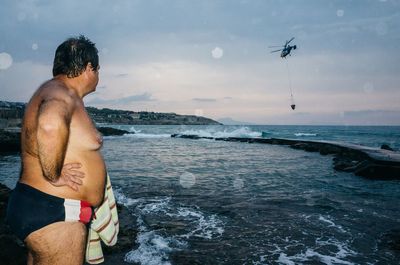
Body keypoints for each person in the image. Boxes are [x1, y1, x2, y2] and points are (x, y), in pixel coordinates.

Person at [6, 35, 106, 265]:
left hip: (38, 204)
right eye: (98, 69)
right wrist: (54, 175)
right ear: (89, 67)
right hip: (54, 212)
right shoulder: (63, 93)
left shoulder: (52, 89)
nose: (98, 75)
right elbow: (50, 124)